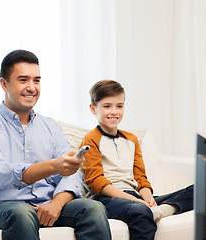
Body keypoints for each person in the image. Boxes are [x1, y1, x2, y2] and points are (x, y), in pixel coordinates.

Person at [0, 50, 111, 240]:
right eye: (23, 80)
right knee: (22, 213)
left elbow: (72, 174)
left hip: (46, 203)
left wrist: (56, 204)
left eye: (36, 80)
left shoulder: (51, 126)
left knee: (93, 208)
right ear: (4, 84)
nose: (32, 87)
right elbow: (1, 174)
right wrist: (54, 166)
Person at [80, 80, 194, 240]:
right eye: (107, 106)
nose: (114, 111)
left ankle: (161, 210)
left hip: (135, 196)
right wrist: (137, 202)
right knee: (139, 211)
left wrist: (148, 200)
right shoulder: (90, 139)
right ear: (93, 109)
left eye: (119, 106)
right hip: (108, 199)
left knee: (199, 191)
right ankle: (151, 210)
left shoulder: (131, 140)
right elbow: (97, 182)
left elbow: (140, 178)